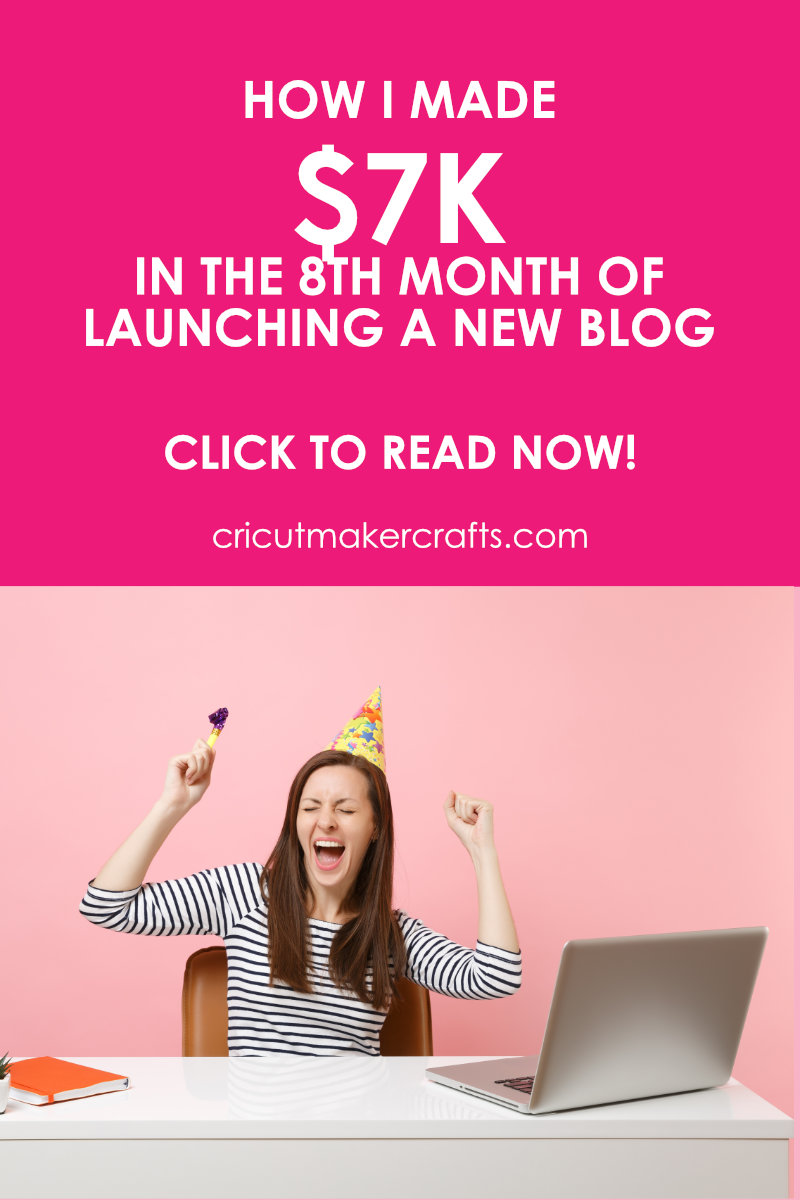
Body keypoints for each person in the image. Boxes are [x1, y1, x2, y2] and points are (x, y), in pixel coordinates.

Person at [80, 689, 521, 1056]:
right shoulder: (245, 894)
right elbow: (105, 906)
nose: (325, 820)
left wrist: (483, 853)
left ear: (374, 829)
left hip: (351, 1139)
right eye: (310, 807)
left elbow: (496, 977)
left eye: (346, 809)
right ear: (295, 821)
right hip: (259, 1139)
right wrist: (170, 807)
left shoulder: (391, 936)